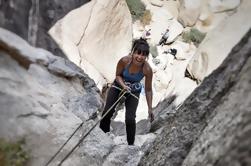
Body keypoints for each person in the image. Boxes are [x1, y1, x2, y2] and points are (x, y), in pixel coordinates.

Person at [99, 38, 154, 145]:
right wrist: (123, 85)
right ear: (133, 52)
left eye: (143, 55)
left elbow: (148, 90)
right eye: (138, 53)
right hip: (119, 85)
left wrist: (150, 108)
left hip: (134, 89)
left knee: (130, 118)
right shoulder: (124, 61)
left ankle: (130, 144)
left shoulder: (147, 69)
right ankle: (102, 133)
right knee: (108, 111)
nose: (140, 57)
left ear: (146, 56)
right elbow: (118, 75)